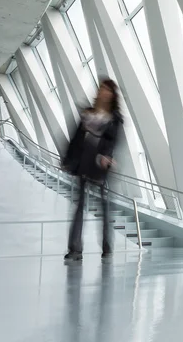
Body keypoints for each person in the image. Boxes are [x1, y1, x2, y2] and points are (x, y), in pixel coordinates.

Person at [62, 79, 122, 261]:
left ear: (112, 96)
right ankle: (75, 249)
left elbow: (112, 141)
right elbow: (75, 139)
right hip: (84, 162)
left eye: (107, 90)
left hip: (101, 164)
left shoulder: (114, 119)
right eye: (102, 89)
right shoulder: (87, 114)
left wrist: (107, 156)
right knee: (79, 206)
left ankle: (107, 246)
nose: (104, 93)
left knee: (104, 207)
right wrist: (67, 160)